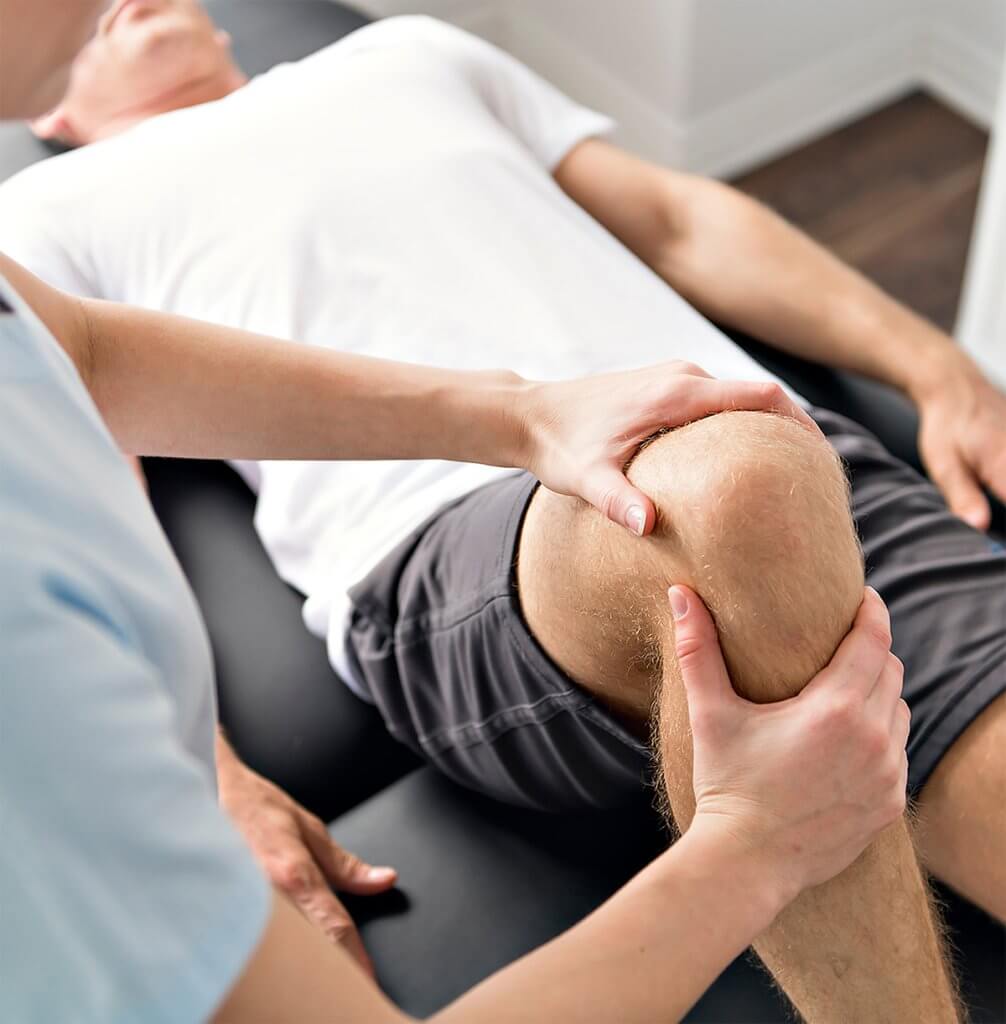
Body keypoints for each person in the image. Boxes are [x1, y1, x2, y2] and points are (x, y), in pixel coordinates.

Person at [0, 4, 988, 1021]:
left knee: (753, 481)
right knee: (728, 488)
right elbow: (86, 501)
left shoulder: (407, 53)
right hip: (457, 546)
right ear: (57, 108)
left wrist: (935, 365)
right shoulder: (40, 213)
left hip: (775, 453)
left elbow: (677, 218)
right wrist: (206, 777)